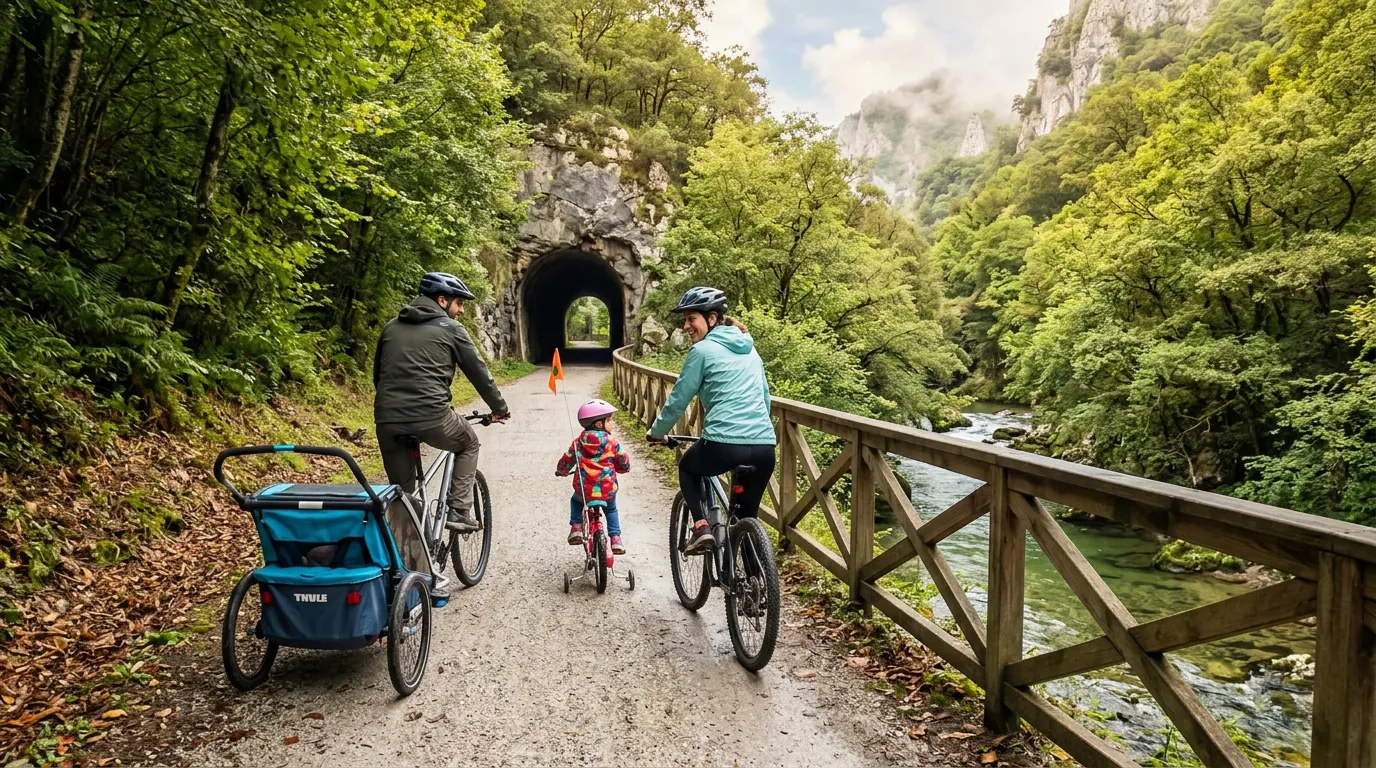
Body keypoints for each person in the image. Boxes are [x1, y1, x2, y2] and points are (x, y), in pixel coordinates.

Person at [373, 272, 510, 536]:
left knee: (402, 495)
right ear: (442, 300)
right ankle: (458, 510)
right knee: (468, 443)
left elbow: (379, 375)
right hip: (432, 416)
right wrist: (500, 408)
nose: (460, 311)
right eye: (459, 304)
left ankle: (410, 558)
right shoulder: (451, 329)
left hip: (387, 420)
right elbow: (478, 372)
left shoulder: (391, 327)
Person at [647, 287, 776, 554]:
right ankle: (754, 588)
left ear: (713, 318)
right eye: (685, 319)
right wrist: (758, 431)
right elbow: (765, 398)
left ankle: (702, 528)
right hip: (764, 447)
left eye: (691, 318)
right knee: (745, 518)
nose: (686, 325)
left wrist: (656, 431)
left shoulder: (702, 351)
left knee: (688, 467)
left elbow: (679, 399)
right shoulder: (752, 351)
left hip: (723, 444)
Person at [557, 399, 631, 554]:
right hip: (607, 489)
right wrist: (624, 468)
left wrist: (562, 470)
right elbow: (623, 460)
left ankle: (576, 527)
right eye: (609, 420)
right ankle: (616, 538)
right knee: (611, 510)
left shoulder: (578, 442)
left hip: (585, 490)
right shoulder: (612, 441)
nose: (612, 424)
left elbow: (568, 459)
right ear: (598, 424)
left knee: (576, 501)